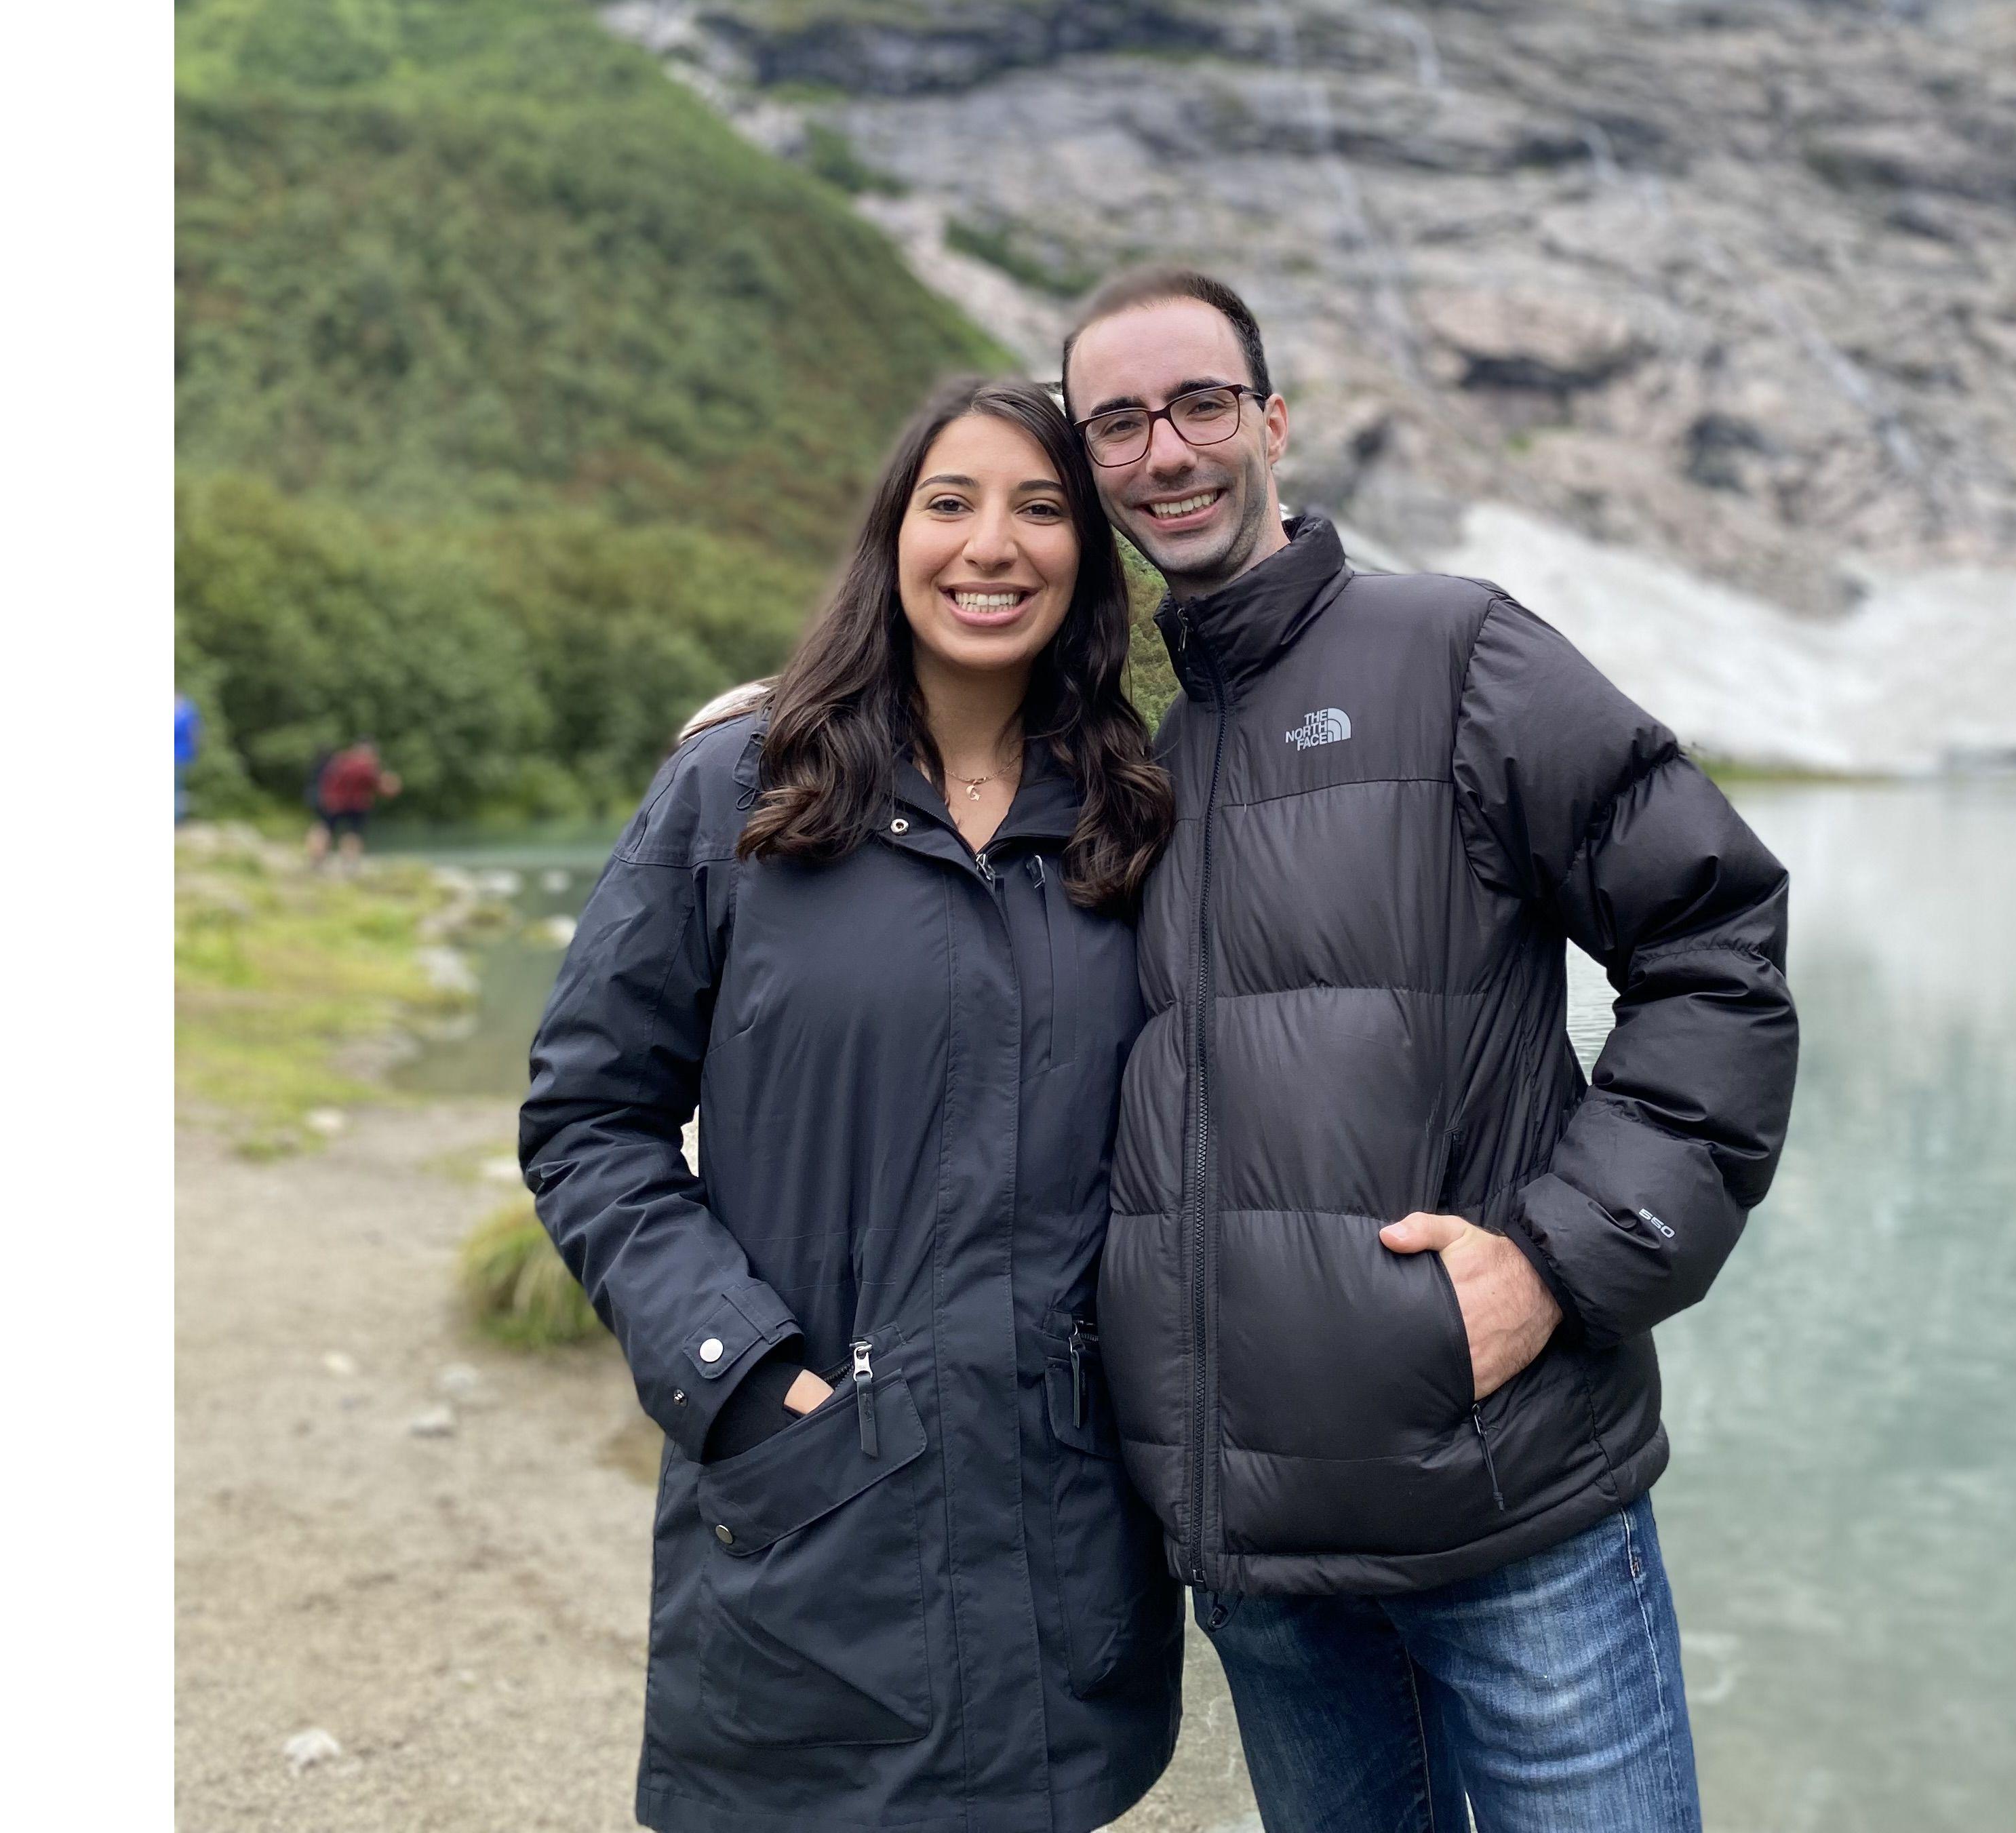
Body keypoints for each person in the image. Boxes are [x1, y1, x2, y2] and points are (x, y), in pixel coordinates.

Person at [1061, 266, 1799, 1833]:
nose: (1163, 450)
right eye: (1114, 423)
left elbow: (1714, 940)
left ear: (1272, 421)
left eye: (1198, 404)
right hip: (1255, 1556)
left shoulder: (1457, 652)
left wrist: (1564, 1259)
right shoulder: (1135, 764)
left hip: (1509, 1506)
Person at [520, 376, 1185, 1833]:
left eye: (1042, 507)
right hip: (811, 1498)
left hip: (1065, 1538)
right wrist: (742, 1376)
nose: (991, 546)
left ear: (1088, 561)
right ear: (892, 537)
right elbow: (588, 1118)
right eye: (950, 503)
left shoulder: (1134, 822)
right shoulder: (738, 793)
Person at [304, 739, 400, 869]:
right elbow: (385, 788)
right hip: (356, 805)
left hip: (330, 802)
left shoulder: (340, 760)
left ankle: (316, 862)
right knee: (353, 834)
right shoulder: (367, 766)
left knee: (323, 829)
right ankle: (349, 865)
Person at [174, 692, 200, 827]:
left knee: (178, 788)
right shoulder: (188, 710)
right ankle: (178, 818)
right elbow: (194, 734)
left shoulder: (187, 711)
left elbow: (193, 733)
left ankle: (177, 819)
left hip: (180, 755)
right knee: (178, 788)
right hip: (182, 754)